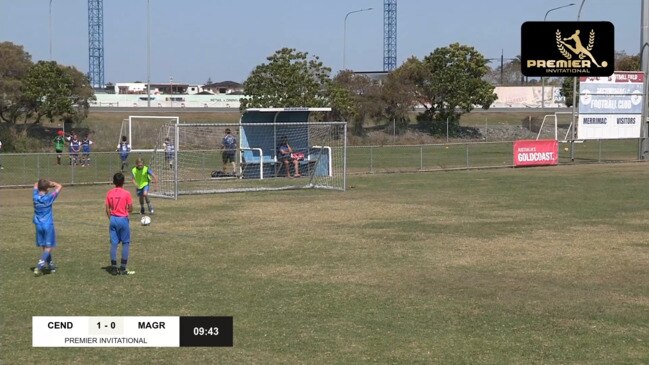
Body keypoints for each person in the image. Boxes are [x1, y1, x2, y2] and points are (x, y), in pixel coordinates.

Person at [105, 172, 134, 276]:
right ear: (123, 182)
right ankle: (122, 267)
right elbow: (130, 208)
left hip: (113, 219)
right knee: (125, 243)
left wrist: (111, 218)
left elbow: (107, 209)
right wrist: (127, 214)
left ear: (113, 182)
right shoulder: (126, 193)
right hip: (123, 219)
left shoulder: (109, 193)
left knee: (114, 244)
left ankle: (113, 268)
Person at [32, 179, 63, 276]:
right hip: (48, 225)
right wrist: (52, 183)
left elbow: (35, 184)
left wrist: (45, 184)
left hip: (38, 224)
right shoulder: (49, 198)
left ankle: (50, 265)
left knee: (44, 246)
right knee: (49, 247)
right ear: (47, 188)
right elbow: (59, 186)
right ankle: (39, 266)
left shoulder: (35, 196)